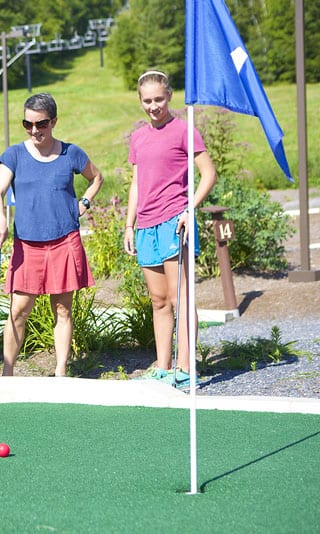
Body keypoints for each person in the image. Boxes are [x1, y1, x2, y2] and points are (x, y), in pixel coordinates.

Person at [0, 93, 103, 377]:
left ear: (53, 121)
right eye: (27, 124)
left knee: (63, 310)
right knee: (18, 310)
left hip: (64, 239)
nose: (34, 130)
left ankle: (61, 372)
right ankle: (7, 373)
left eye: (40, 124)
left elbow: (96, 178)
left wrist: (85, 203)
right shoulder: (14, 155)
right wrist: (0, 220)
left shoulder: (71, 153)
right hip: (27, 245)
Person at [123, 70, 217, 389]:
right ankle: (163, 366)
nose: (154, 106)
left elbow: (208, 174)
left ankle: (187, 367)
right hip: (146, 226)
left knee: (181, 299)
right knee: (159, 300)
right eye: (147, 101)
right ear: (140, 101)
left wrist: (190, 209)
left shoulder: (183, 131)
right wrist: (128, 223)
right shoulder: (138, 138)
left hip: (175, 222)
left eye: (159, 99)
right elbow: (137, 182)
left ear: (170, 96)